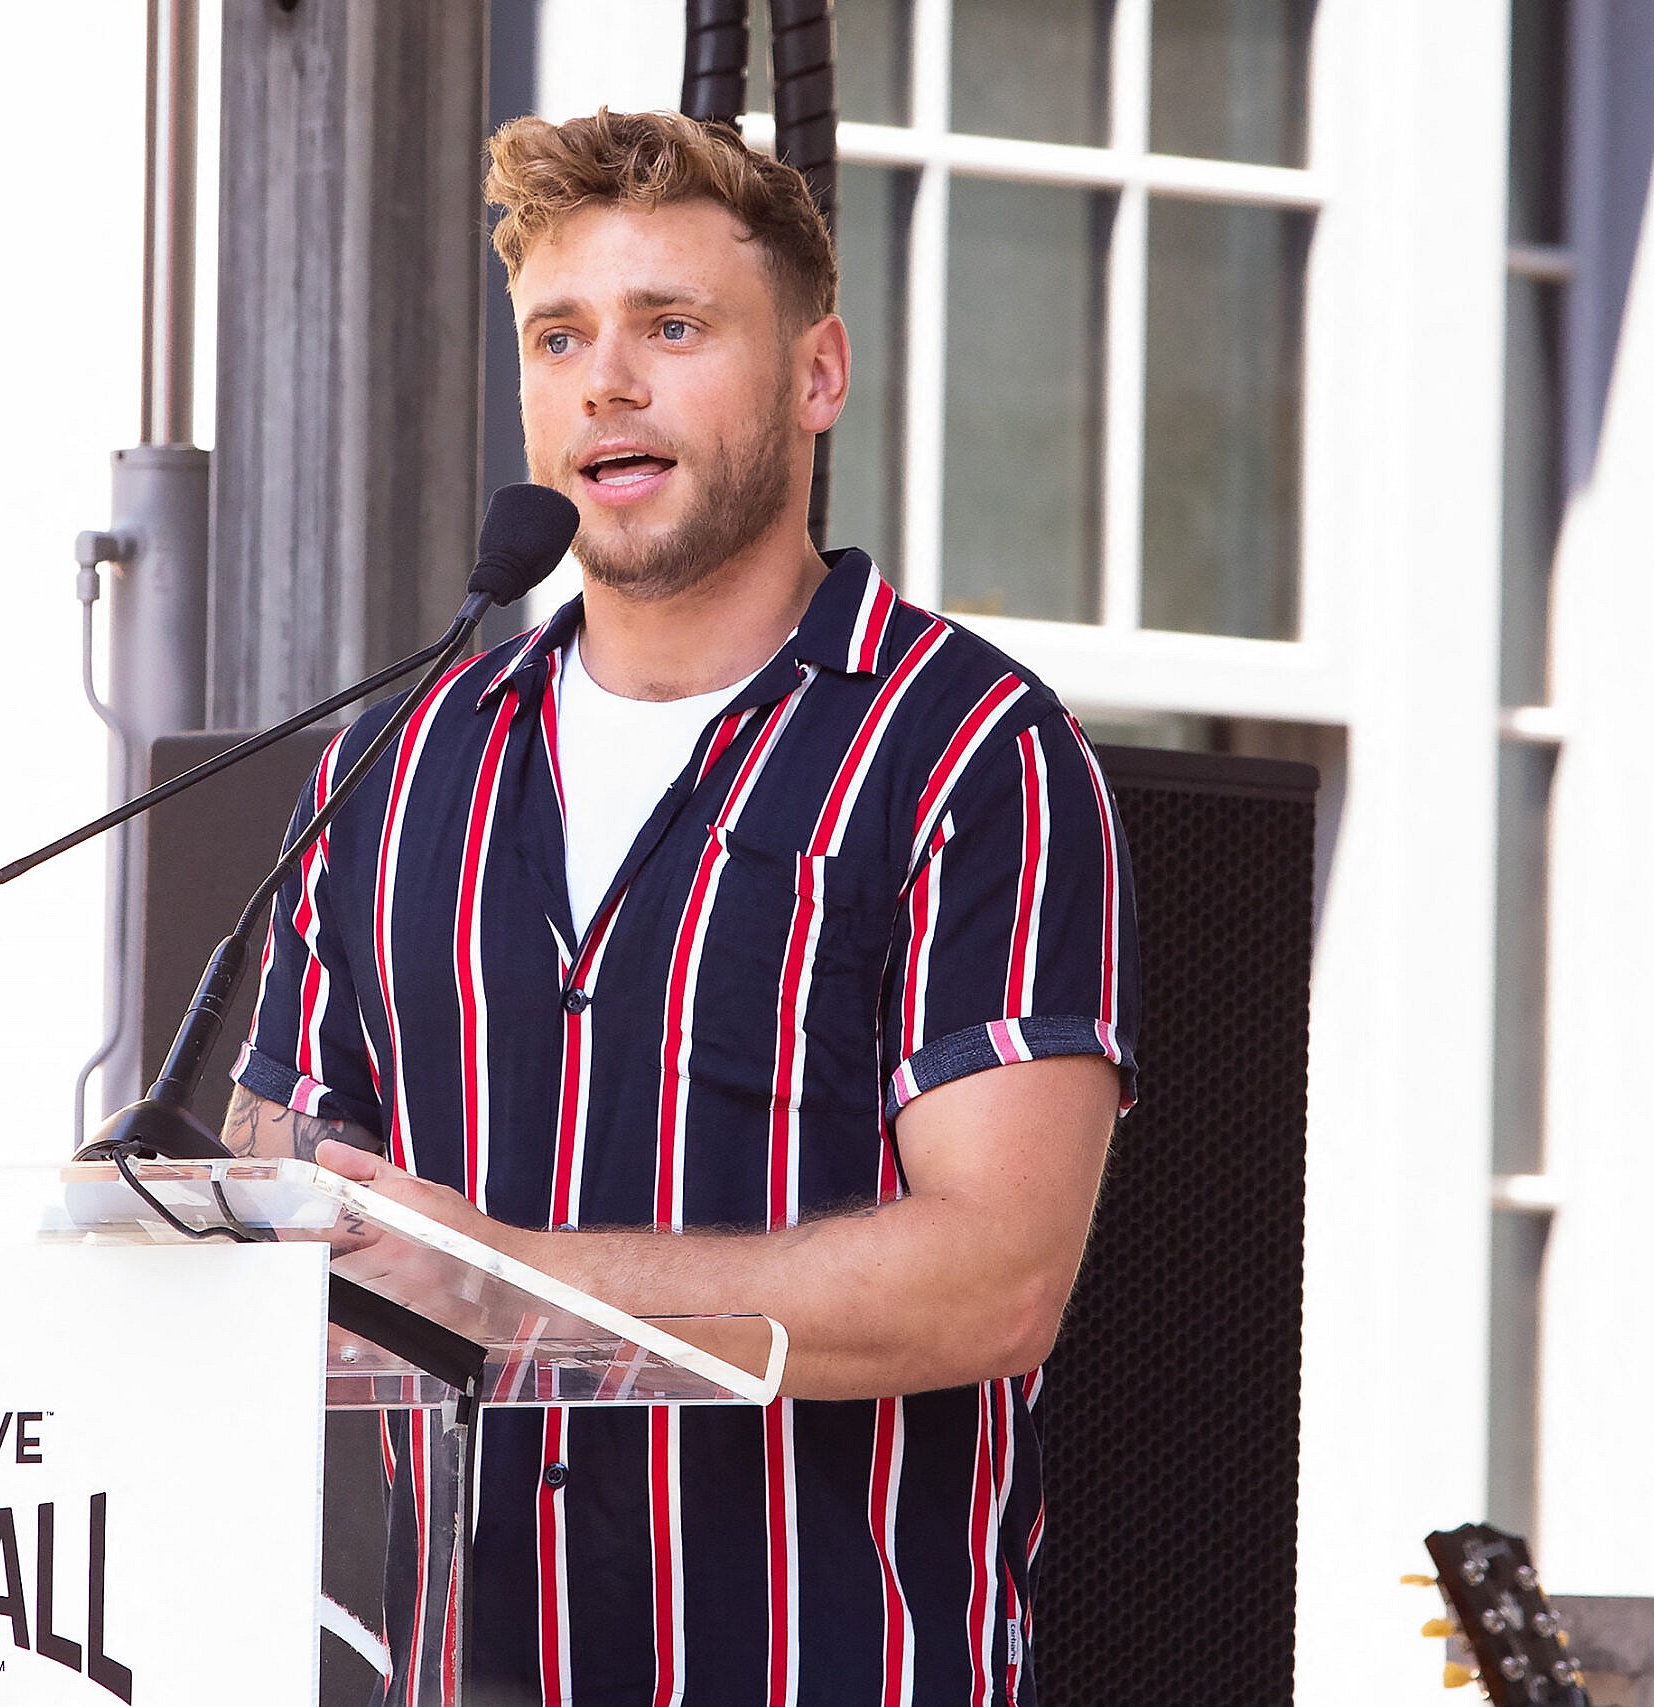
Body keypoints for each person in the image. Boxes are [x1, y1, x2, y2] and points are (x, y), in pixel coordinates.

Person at [223, 108, 1139, 1707]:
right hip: (464, 1670)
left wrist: (517, 1278)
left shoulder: (971, 749)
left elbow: (1000, 1277)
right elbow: (280, 1196)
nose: (608, 383)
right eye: (559, 336)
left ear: (817, 377)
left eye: (674, 327)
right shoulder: (392, 762)